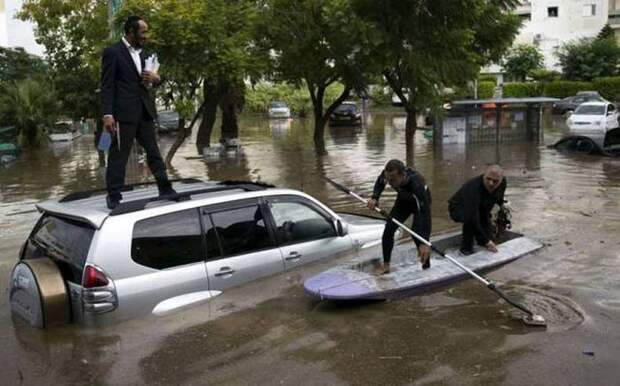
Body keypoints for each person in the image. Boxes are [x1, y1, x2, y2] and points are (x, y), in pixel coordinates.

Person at [100, 15, 174, 209]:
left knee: (154, 152)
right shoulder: (113, 52)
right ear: (131, 32)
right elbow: (106, 86)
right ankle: (114, 195)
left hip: (145, 111)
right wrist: (107, 114)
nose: (146, 36)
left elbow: (152, 82)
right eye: (143, 32)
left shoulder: (145, 55)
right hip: (122, 115)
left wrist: (156, 78)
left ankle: (165, 188)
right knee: (119, 156)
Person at [367, 159, 432, 275]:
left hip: (420, 204)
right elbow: (380, 182)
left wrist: (424, 241)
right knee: (389, 229)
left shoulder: (416, 184)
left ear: (402, 175)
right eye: (388, 179)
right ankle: (386, 266)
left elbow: (425, 214)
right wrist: (375, 198)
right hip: (403, 201)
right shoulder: (388, 174)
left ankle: (426, 266)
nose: (390, 183)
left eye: (393, 180)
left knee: (416, 233)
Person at [448, 165, 507, 255]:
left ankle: (483, 243)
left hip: (480, 205)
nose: (491, 183)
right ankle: (465, 249)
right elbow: (472, 217)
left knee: (486, 223)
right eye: (488, 179)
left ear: (501, 180)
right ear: (484, 176)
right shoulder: (473, 187)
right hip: (458, 207)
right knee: (470, 222)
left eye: (495, 181)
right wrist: (486, 241)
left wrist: (501, 205)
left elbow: (499, 196)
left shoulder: (503, 183)